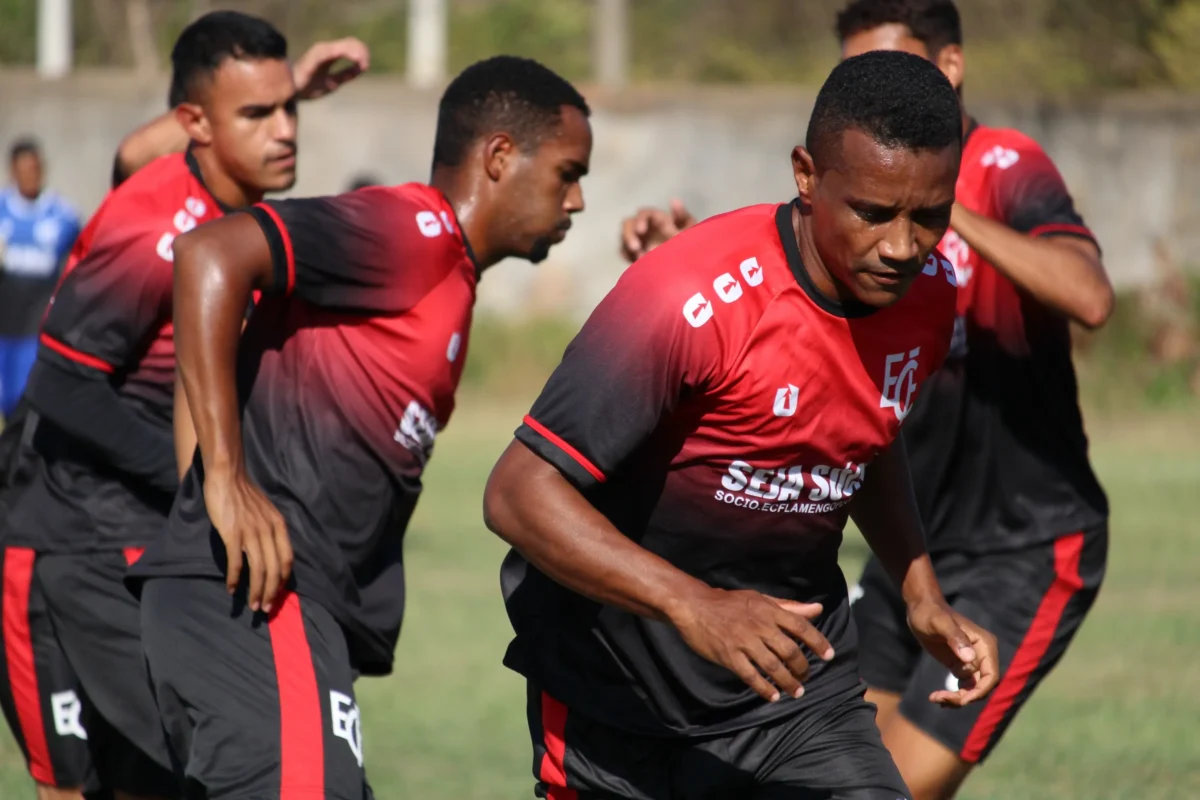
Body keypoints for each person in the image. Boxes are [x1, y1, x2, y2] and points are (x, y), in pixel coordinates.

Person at [619, 3, 1113, 798]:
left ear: (948, 68)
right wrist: (684, 259)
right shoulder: (867, 202)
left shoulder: (1003, 165)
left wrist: (940, 212)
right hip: (907, 551)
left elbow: (1088, 296)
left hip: (1021, 541)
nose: (897, 239)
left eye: (891, 69)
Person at [484, 50, 999, 800]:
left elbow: (865, 432)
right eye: (872, 212)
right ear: (806, 174)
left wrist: (920, 591)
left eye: (929, 216)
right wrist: (696, 606)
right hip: (619, 698)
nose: (900, 246)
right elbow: (517, 493)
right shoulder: (688, 297)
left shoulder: (927, 295)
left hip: (796, 697)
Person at [125, 55, 592, 798]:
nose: (577, 202)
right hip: (259, 603)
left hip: (269, 611)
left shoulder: (451, 278)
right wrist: (222, 480)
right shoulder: (413, 229)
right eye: (569, 173)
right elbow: (210, 254)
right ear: (500, 157)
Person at [0, 12, 367, 800]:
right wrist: (211, 489)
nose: (287, 132)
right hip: (76, 544)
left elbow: (136, 149)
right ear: (195, 124)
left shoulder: (221, 209)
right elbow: (61, 388)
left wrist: (281, 86)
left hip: (148, 536)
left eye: (289, 111)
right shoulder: (155, 232)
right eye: (258, 115)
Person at [0, 140, 81, 419]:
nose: (30, 176)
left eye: (34, 169)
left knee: (19, 400)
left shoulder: (64, 216)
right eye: (23, 170)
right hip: (3, 317)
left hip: (33, 323)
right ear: (12, 171)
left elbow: (76, 266)